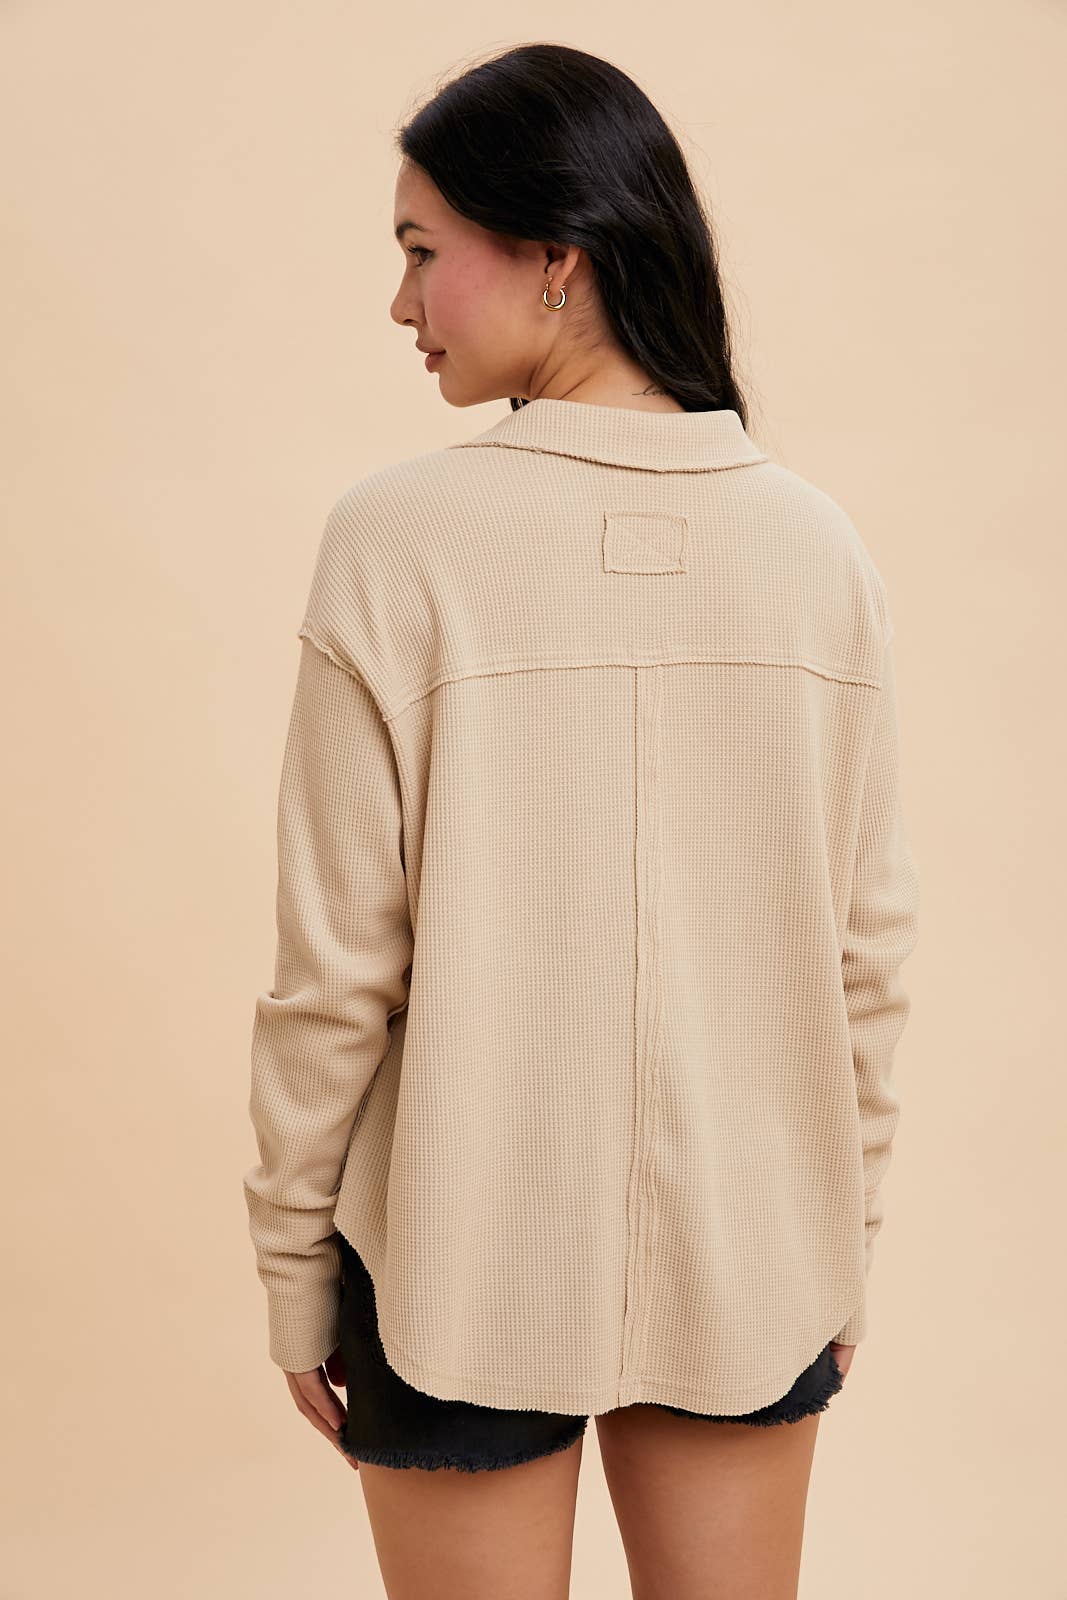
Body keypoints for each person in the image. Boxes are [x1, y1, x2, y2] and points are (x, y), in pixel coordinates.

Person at [242, 41, 920, 1600]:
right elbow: (867, 961)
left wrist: (291, 1273)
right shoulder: (817, 551)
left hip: (453, 1257)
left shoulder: (397, 542)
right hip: (756, 1247)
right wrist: (842, 1238)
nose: (401, 302)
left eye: (422, 250)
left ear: (557, 258)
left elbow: (334, 976)